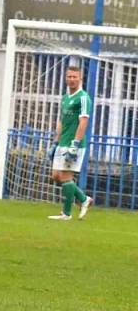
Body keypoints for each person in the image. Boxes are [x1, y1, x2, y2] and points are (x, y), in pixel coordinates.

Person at [48, 65, 94, 220]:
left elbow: (83, 122)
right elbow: (62, 120)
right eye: (69, 76)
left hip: (75, 144)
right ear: (66, 78)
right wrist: (55, 142)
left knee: (66, 176)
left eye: (75, 77)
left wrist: (75, 144)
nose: (72, 79)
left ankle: (66, 214)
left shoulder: (83, 97)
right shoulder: (65, 97)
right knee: (55, 175)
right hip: (63, 142)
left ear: (80, 78)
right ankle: (83, 199)